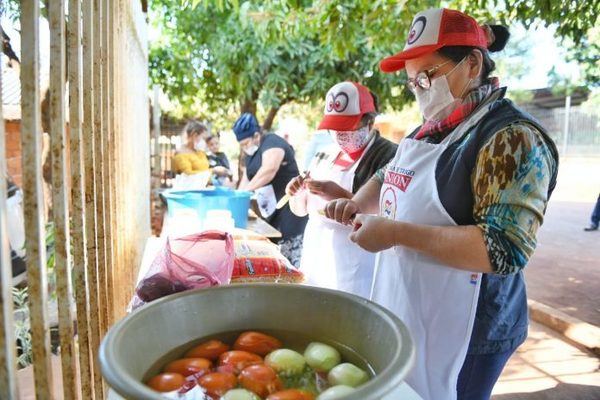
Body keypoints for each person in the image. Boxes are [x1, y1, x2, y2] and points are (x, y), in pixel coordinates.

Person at [324, 8, 559, 400]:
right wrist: (356, 203)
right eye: (412, 81)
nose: (419, 88)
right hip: (416, 304)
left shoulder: (512, 138)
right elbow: (390, 174)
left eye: (428, 75)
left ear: (472, 64)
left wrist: (396, 233)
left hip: (472, 328)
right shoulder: (430, 128)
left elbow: (504, 249)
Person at [286, 81, 397, 298]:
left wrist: (341, 195)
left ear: (370, 121)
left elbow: (389, 214)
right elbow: (300, 211)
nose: (339, 134)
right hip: (317, 254)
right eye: (335, 128)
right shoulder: (324, 153)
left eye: (347, 127)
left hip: (358, 264)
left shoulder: (389, 156)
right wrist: (296, 194)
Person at [233, 113, 308, 266]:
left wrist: (245, 192)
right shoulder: (251, 155)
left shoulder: (272, 142)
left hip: (290, 209)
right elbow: (245, 180)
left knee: (289, 258)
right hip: (271, 211)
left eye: (246, 143)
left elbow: (269, 169)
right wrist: (236, 201)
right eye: (241, 145)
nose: (244, 148)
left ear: (256, 135)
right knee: (273, 258)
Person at [172, 120, 229, 187]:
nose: (205, 142)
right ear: (195, 135)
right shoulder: (180, 154)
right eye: (204, 139)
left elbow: (205, 169)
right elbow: (188, 178)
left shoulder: (200, 152)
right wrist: (213, 171)